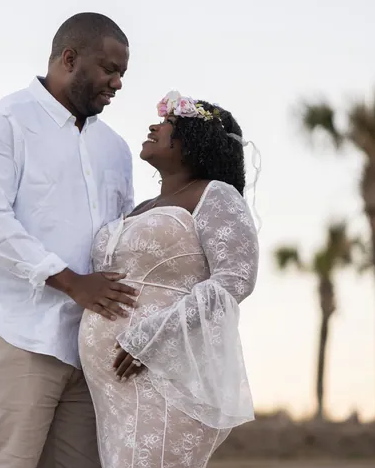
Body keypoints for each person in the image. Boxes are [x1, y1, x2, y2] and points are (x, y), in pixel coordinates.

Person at [0, 13, 137, 468]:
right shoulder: (5, 122)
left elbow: (120, 239)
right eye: (109, 69)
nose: (117, 83)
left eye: (122, 74)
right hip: (14, 331)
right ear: (69, 59)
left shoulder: (115, 148)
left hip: (88, 347)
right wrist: (73, 282)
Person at [79, 91, 260, 468]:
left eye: (168, 124)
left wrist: (150, 337)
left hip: (165, 376)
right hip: (114, 391)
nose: (153, 126)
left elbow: (236, 278)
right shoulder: (141, 208)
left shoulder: (215, 195)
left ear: (195, 140)